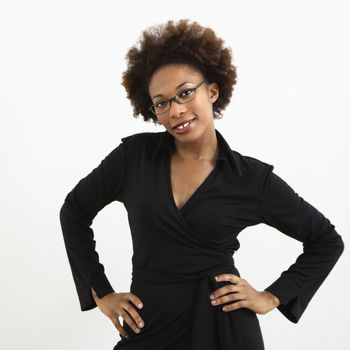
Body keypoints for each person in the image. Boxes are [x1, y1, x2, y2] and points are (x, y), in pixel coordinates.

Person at [59, 19, 345, 350]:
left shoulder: (250, 178)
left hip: (226, 328)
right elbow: (75, 211)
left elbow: (326, 240)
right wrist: (100, 291)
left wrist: (272, 296)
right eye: (162, 102)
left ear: (211, 91)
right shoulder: (133, 158)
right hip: (149, 323)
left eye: (185, 93)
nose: (176, 110)